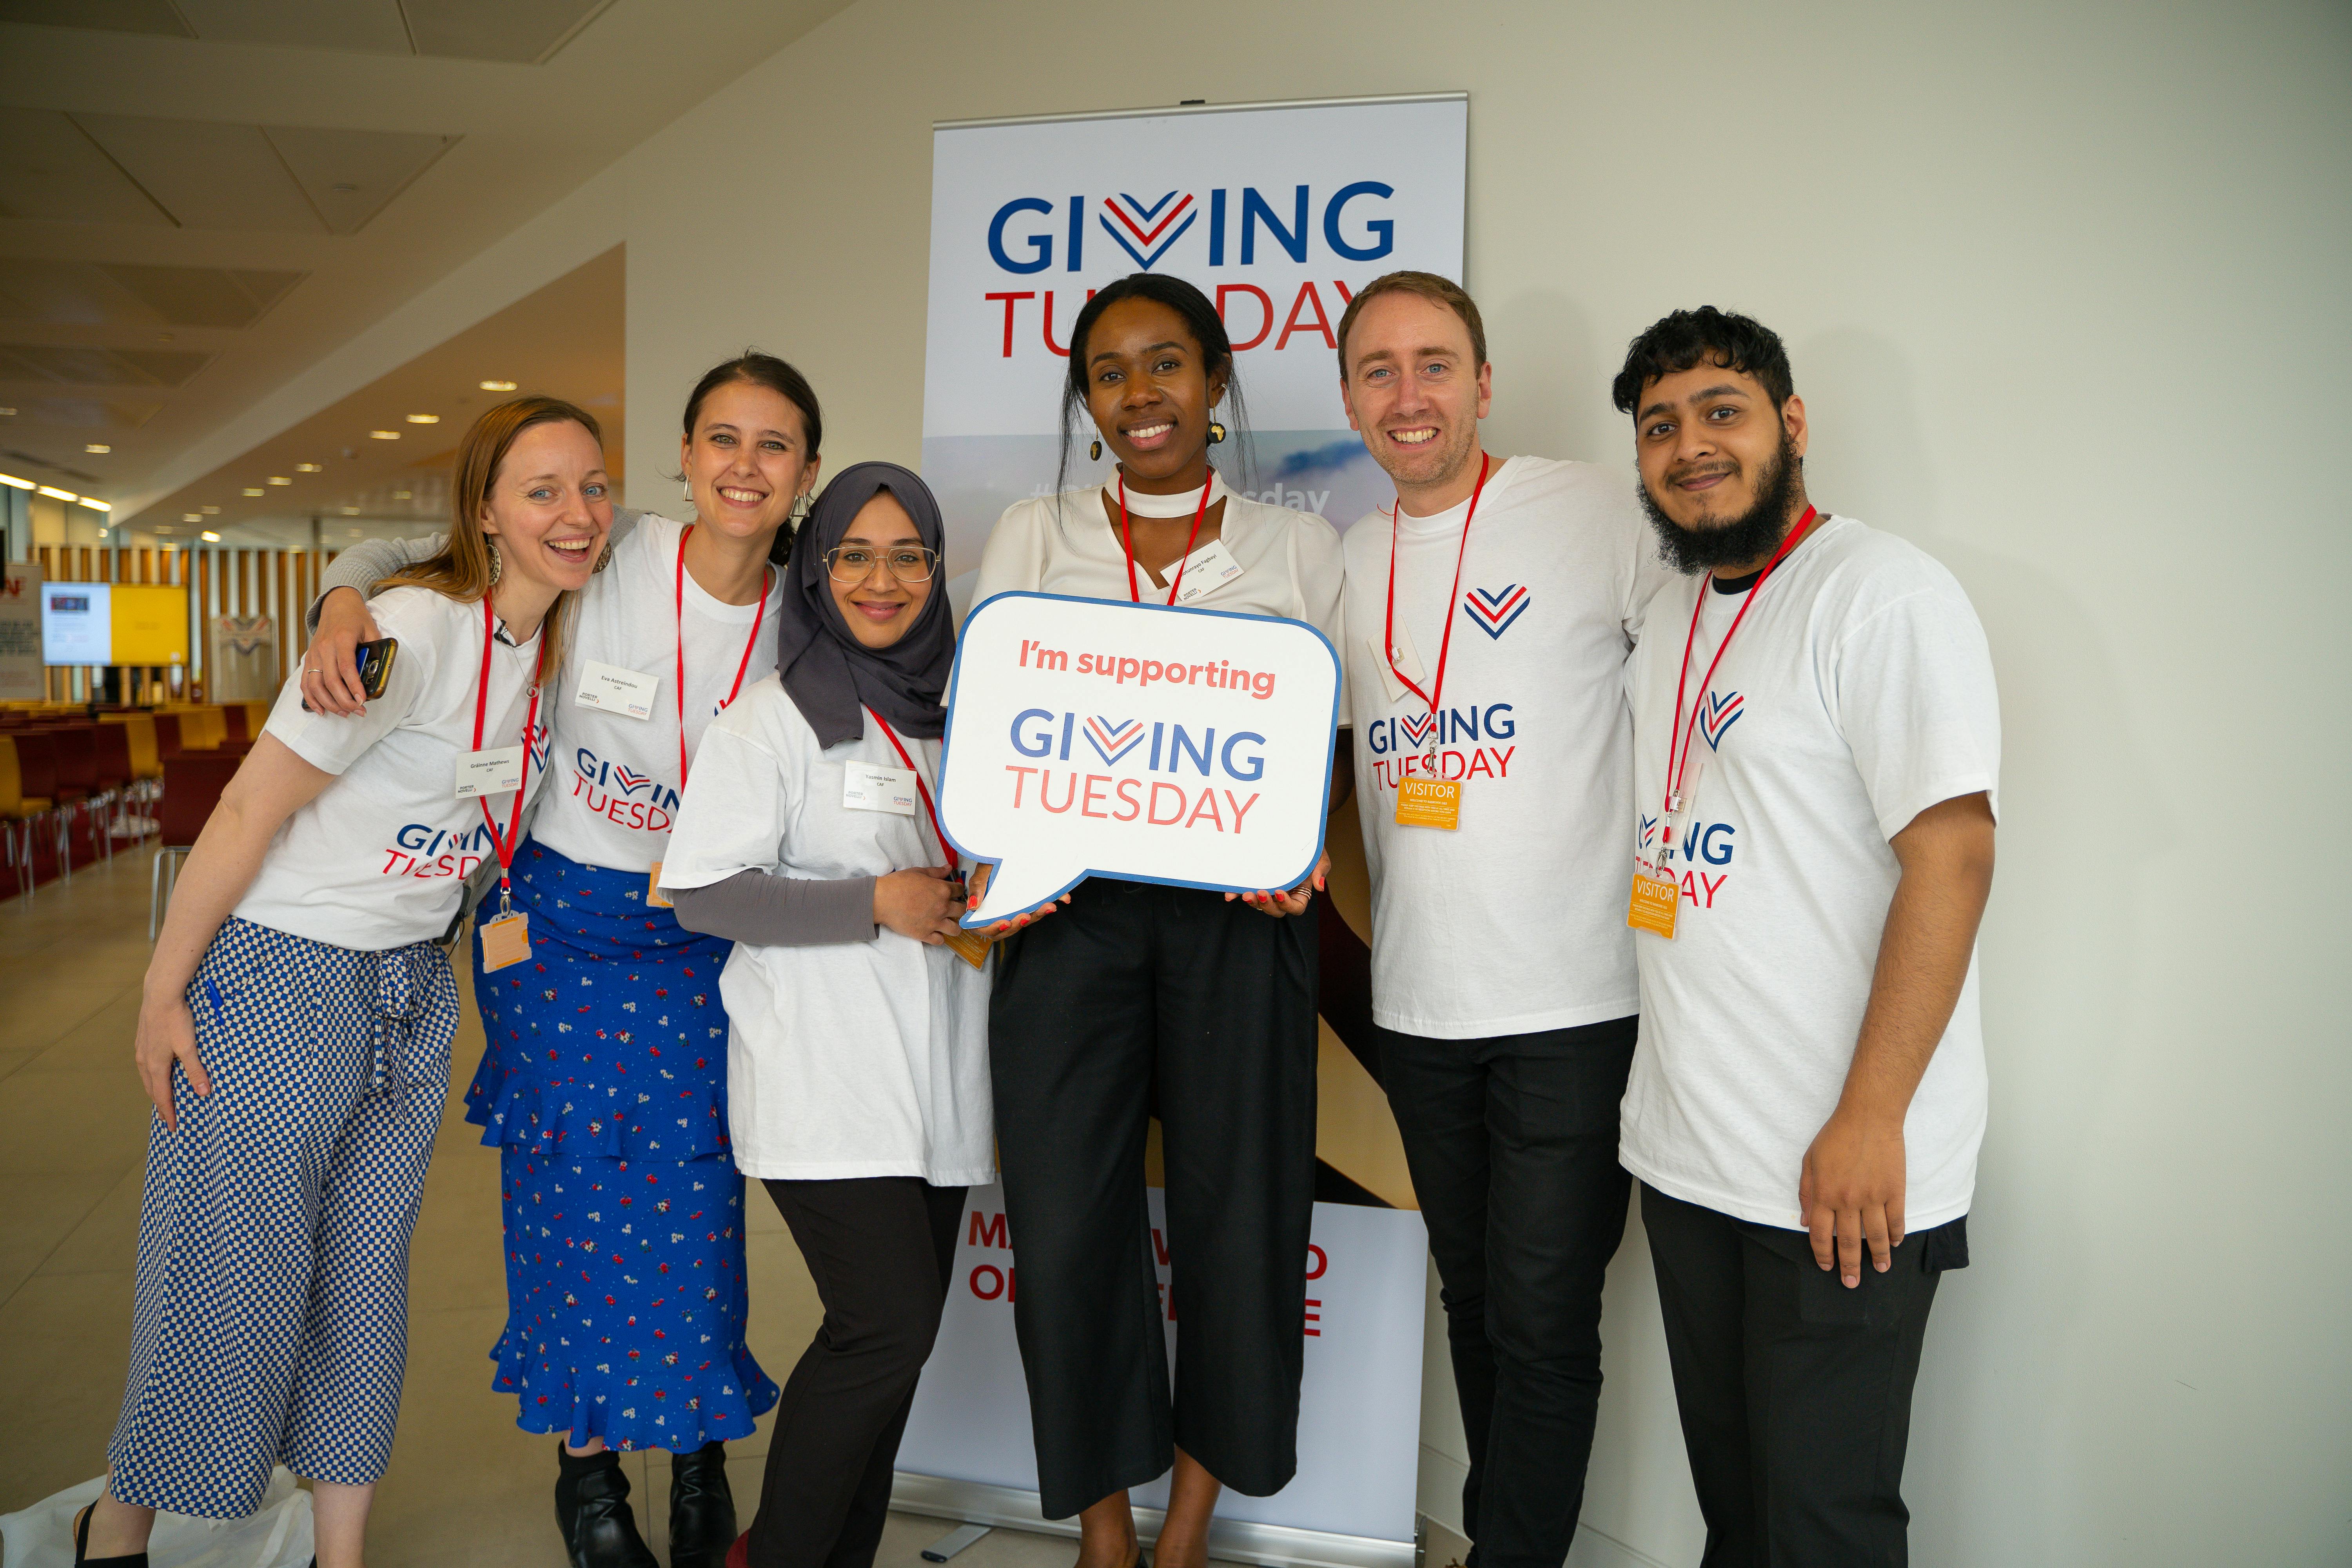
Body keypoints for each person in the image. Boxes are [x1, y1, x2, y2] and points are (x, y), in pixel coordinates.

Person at [302, 354, 824, 1568]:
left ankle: (698, 1455)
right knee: (571, 1197)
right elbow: (407, 553)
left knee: (698, 1200)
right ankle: (587, 1474)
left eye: (776, 445)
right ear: (685, 458)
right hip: (565, 927)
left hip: (705, 931)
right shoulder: (612, 546)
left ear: (804, 472)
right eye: (723, 440)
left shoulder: (812, 603)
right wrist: (340, 600)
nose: (746, 466)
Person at [74, 396, 608, 1568]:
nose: (578, 515)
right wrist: (163, 994)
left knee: (367, 1277)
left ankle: (341, 1554)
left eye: (593, 487)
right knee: (231, 1270)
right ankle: (118, 1535)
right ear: (487, 513)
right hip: (282, 973)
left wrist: (344, 579)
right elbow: (246, 809)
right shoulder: (405, 633)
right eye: (543, 491)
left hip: (414, 991)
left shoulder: (557, 641)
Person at [966, 271, 1344, 1568]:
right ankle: (1105, 1531)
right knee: (1067, 1224)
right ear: (1086, 397)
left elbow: (1331, 747)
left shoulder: (1299, 548)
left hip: (1241, 924)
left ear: (1217, 381)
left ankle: (1187, 1528)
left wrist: (1311, 861)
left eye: (1167, 364)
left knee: (1242, 1221)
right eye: (1113, 371)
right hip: (1069, 919)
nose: (1142, 394)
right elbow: (997, 733)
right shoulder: (1034, 531)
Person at [1613, 307, 1998, 1565]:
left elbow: (1952, 856)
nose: (1690, 447)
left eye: (1721, 412)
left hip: (1840, 1173)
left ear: (1790, 424)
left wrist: (1871, 1118)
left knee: (1823, 1527)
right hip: (1694, 1160)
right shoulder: (1674, 611)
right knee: (1741, 1512)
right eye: (1660, 426)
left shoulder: (1879, 594)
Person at [1330, 271, 1670, 1568]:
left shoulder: (1597, 512)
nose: (1408, 395)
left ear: (1482, 382)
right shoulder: (1355, 558)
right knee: (1476, 1300)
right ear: (1352, 397)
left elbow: (1710, 660)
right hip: (1418, 1006)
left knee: (1542, 1317)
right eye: (1378, 369)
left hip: (1577, 1003)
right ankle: (1504, 1541)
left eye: (1434, 364)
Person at [654, 462, 991, 1568]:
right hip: (826, 1082)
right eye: (854, 553)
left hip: (939, 1080)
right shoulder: (775, 720)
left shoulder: (969, 714)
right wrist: (874, 903)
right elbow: (701, 890)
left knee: (899, 1347)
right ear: (817, 567)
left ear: (938, 571)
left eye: (908, 556)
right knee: (883, 1329)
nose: (882, 580)